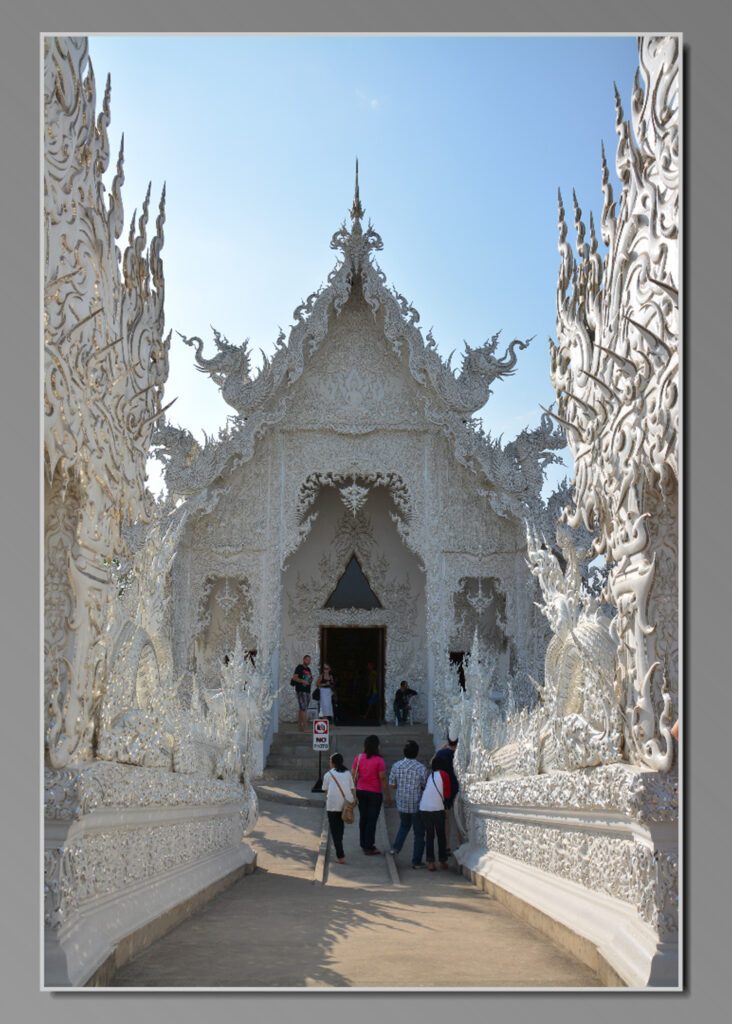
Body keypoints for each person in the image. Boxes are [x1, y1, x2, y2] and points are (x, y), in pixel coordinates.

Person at [388, 739, 428, 868]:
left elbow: (392, 785)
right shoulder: (421, 768)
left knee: (404, 825)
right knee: (419, 833)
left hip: (402, 803)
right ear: (417, 753)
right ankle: (416, 861)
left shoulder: (396, 766)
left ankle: (396, 847)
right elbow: (424, 786)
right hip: (417, 804)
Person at [351, 734, 391, 854]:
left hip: (361, 791)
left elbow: (353, 774)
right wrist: (388, 795)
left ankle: (363, 843)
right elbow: (383, 778)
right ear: (377, 746)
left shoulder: (358, 758)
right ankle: (369, 846)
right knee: (372, 820)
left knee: (363, 817)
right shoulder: (379, 760)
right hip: (374, 793)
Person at [322, 752, 357, 864]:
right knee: (340, 828)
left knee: (334, 830)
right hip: (345, 805)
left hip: (332, 805)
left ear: (332, 763)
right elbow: (352, 789)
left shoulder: (328, 775)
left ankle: (340, 855)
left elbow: (325, 790)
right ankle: (340, 846)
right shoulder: (347, 774)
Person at [419, 754, 452, 871]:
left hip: (424, 808)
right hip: (437, 808)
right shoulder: (445, 775)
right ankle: (442, 861)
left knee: (429, 835)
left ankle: (431, 862)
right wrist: (447, 808)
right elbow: (447, 794)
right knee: (441, 835)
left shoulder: (431, 775)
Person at [436, 736, 462, 850]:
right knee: (458, 818)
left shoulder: (442, 753)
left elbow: (433, 762)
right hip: (457, 787)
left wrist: (442, 747)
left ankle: (446, 846)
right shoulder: (459, 754)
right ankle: (460, 843)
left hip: (444, 787)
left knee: (446, 818)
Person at [290, 655, 312, 732]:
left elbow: (309, 680)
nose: (308, 661)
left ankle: (300, 727)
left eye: (309, 660)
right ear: (304, 660)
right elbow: (295, 677)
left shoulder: (309, 669)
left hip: (307, 690)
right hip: (301, 690)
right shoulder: (299, 667)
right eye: (307, 659)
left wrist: (309, 680)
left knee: (301, 708)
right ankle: (305, 727)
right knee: (303, 709)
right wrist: (303, 681)